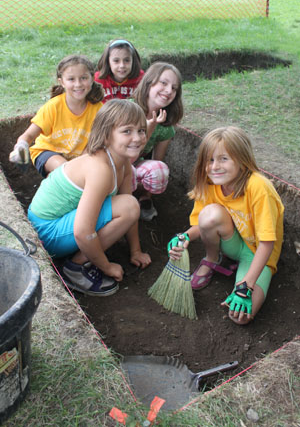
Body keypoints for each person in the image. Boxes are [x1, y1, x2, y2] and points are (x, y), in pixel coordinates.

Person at [28, 99, 151, 296]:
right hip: (46, 232)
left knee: (129, 205)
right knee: (128, 205)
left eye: (141, 130)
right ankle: (75, 268)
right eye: (127, 131)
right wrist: (106, 266)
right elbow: (82, 231)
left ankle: (86, 255)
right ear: (106, 135)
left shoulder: (123, 163)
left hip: (62, 224)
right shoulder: (100, 169)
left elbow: (131, 213)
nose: (137, 138)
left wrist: (135, 250)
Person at [168, 126, 284, 325]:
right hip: (232, 242)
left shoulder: (259, 187)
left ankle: (243, 273)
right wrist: (184, 237)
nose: (214, 167)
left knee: (239, 316)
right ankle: (212, 259)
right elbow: (200, 224)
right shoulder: (210, 182)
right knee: (209, 214)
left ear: (242, 160)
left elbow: (266, 244)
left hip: (257, 253)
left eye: (223, 159)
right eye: (210, 160)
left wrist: (245, 286)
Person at [9, 55, 104, 177]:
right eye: (71, 79)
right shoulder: (54, 106)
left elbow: (95, 143)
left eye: (84, 78)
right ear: (62, 82)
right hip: (48, 153)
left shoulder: (98, 109)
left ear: (92, 79)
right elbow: (29, 135)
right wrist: (21, 147)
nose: (78, 84)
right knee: (63, 169)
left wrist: (81, 164)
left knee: (85, 172)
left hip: (79, 157)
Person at [132, 62, 183, 221]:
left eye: (174, 88)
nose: (169, 91)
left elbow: (157, 161)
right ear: (148, 82)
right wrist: (148, 128)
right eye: (163, 83)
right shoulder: (127, 109)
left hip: (134, 166)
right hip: (112, 165)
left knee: (159, 171)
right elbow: (123, 154)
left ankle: (140, 199)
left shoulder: (166, 126)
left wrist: (147, 195)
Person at [94, 39, 144, 103]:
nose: (122, 65)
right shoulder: (98, 81)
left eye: (126, 60)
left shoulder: (141, 80)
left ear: (133, 61)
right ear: (108, 62)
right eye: (116, 61)